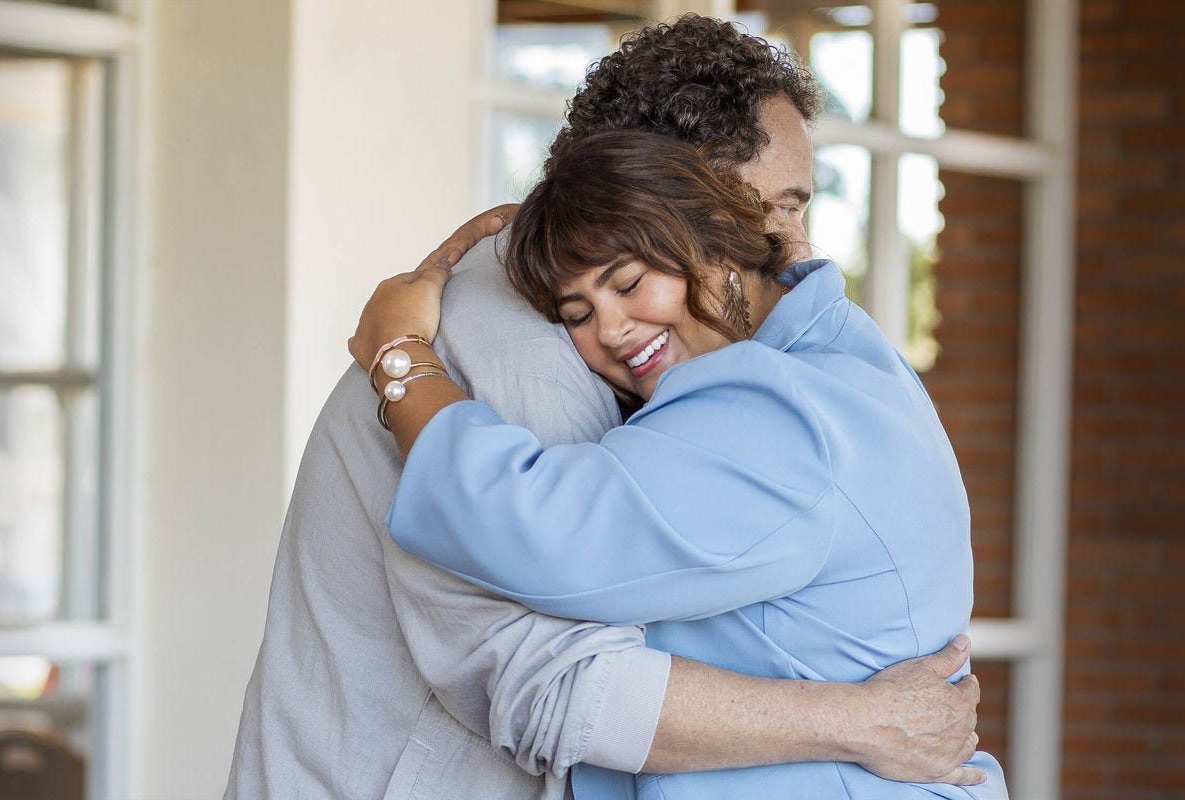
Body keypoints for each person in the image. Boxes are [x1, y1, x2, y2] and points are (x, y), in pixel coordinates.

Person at [225, 14, 984, 800]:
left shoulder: (774, 380)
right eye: (766, 212)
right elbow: (552, 676)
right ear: (666, 197)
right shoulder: (522, 333)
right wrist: (859, 722)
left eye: (796, 209)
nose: (788, 249)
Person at [350, 129, 1007, 799]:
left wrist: (400, 357)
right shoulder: (837, 354)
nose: (609, 328)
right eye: (576, 312)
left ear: (716, 244)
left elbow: (536, 527)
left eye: (630, 282)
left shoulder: (778, 415)